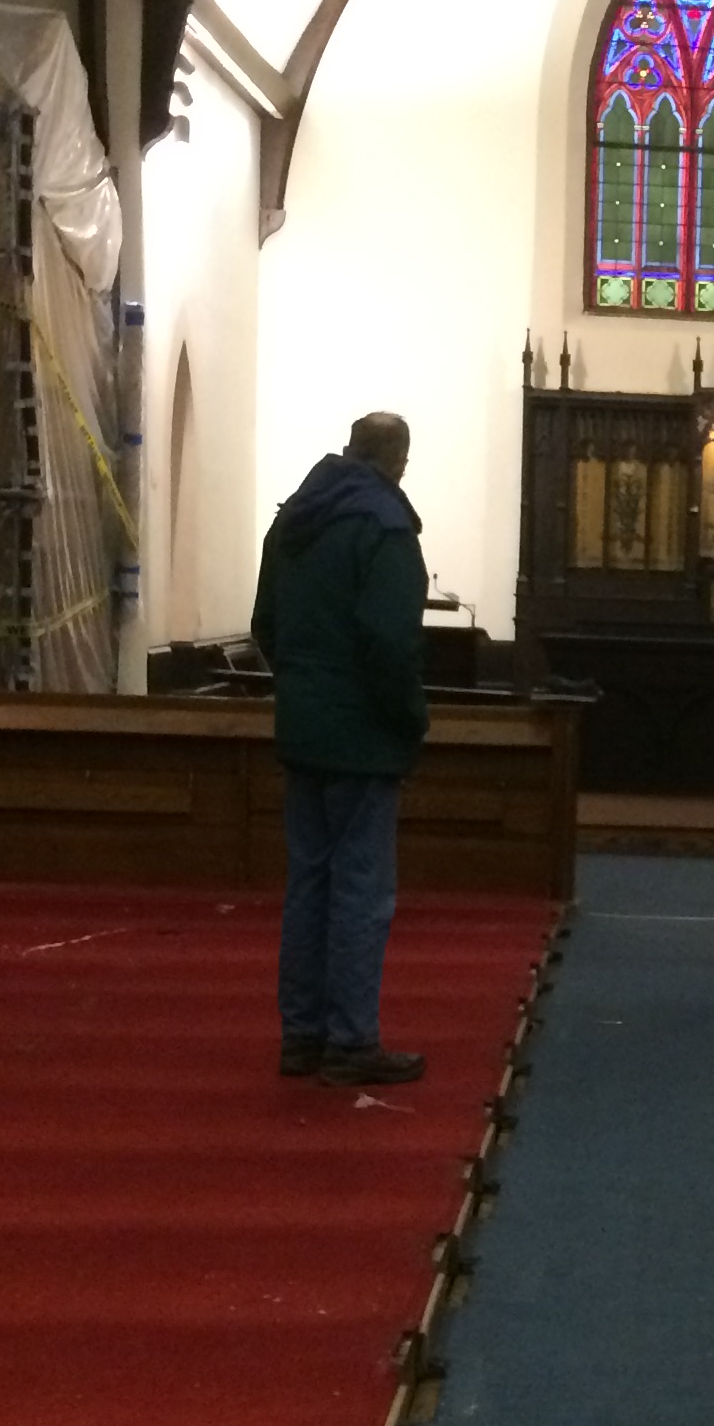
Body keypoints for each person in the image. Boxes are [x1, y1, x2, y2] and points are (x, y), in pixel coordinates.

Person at [251, 411, 430, 1086]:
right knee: (360, 890)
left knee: (309, 883)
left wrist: (304, 688)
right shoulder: (383, 527)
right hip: (363, 738)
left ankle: (302, 1036)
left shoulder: (293, 521)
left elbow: (265, 622)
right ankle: (351, 1041)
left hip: (303, 729)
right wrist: (408, 720)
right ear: (398, 461)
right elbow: (390, 642)